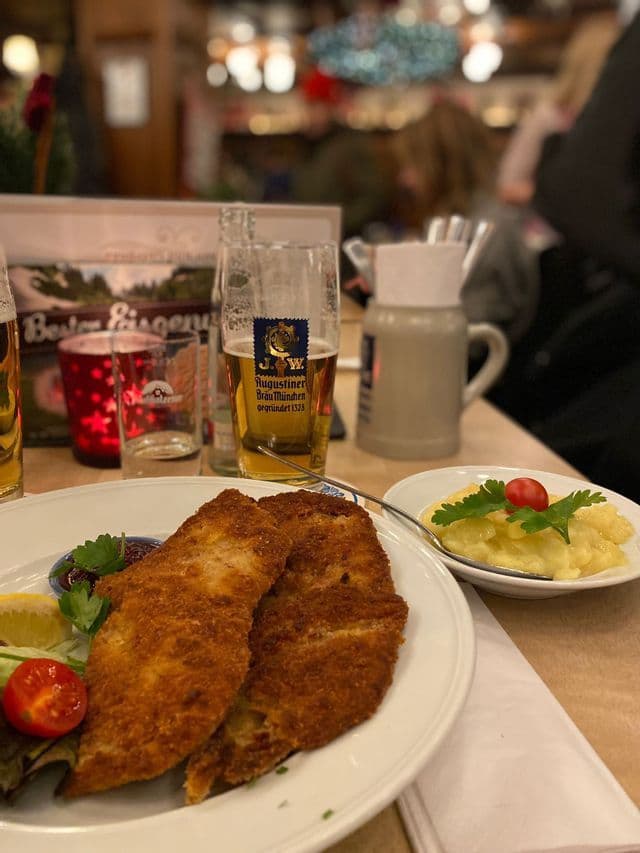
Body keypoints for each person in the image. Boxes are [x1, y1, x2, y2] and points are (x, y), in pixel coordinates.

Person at [495, 12, 640, 500]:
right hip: (558, 258)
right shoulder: (555, 117)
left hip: (586, 266)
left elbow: (575, 196)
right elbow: (518, 189)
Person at [391, 98, 539, 345]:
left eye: (412, 166)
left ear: (441, 166)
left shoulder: (486, 233)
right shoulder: (457, 222)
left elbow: (469, 338)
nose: (405, 180)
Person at [497, 13, 620, 210]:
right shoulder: (551, 117)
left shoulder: (616, 120)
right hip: (549, 234)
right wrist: (556, 195)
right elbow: (507, 187)